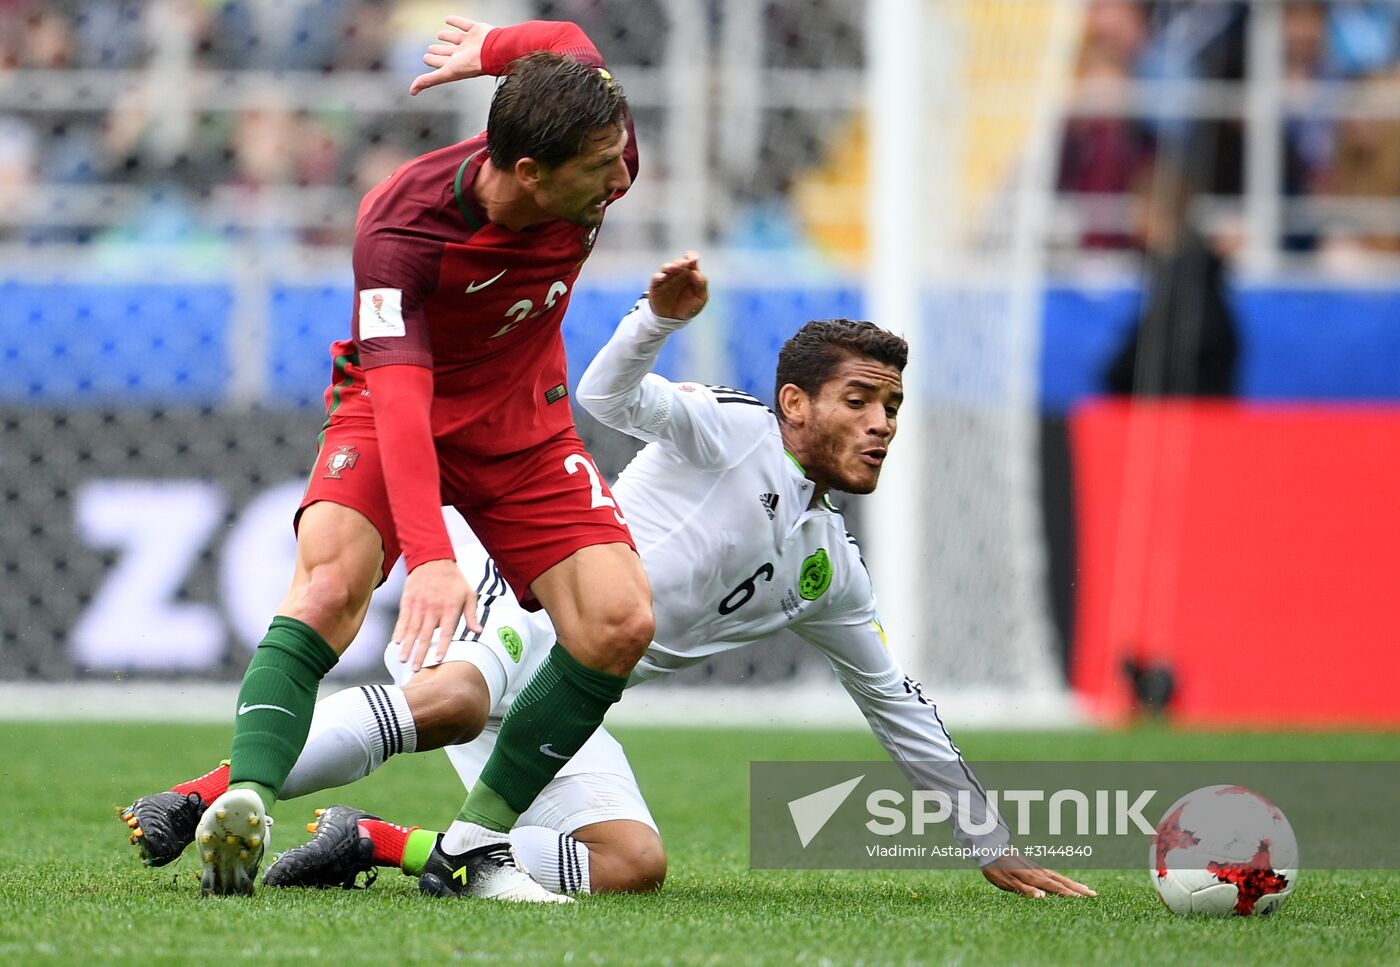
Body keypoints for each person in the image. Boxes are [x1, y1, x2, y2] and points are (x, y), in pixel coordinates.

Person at [124, 256, 1094, 902]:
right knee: (457, 699)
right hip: (531, 598)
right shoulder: (729, 427)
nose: (882, 422)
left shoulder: (830, 570)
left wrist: (988, 841)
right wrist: (654, 319)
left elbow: (896, 702)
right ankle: (203, 796)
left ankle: (375, 843)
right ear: (795, 404)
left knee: (632, 864)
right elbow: (604, 395)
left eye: (892, 404)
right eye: (860, 399)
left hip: (573, 698)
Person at [175, 17, 656, 901]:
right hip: (398, 404)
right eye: (599, 167)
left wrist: (497, 49)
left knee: (618, 621)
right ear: (529, 172)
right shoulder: (400, 225)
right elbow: (400, 399)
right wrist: (430, 556)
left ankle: (471, 845)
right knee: (328, 586)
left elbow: (569, 35)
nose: (622, 176)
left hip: (520, 421)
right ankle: (244, 800)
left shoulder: (597, 136)